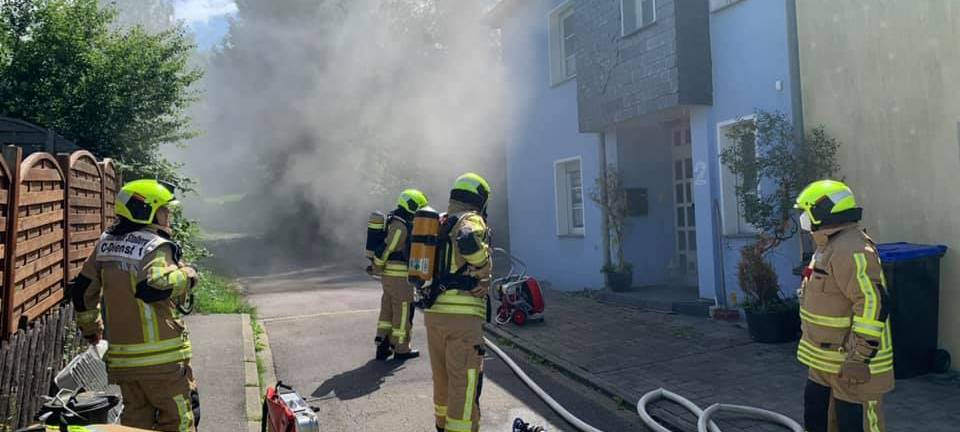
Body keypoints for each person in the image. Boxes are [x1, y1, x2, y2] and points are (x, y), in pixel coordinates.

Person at [69, 179, 200, 432]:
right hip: (162, 363)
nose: (168, 215)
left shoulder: (106, 243)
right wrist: (189, 276)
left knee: (136, 425)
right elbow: (154, 286)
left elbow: (83, 290)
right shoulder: (155, 245)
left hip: (124, 364)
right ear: (147, 210)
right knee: (180, 421)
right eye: (164, 209)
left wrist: (91, 329)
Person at [795, 180, 893, 432]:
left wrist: (859, 357)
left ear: (822, 211)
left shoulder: (852, 249)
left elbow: (872, 303)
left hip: (853, 368)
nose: (803, 220)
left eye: (806, 212)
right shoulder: (827, 247)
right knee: (817, 419)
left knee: (856, 425)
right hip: (825, 363)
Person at [425, 173, 492, 432]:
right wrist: (483, 267)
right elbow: (468, 240)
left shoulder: (441, 222)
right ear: (479, 198)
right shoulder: (470, 220)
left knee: (441, 379)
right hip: (462, 320)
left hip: (434, 315)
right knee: (463, 384)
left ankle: (442, 426)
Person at [370, 188, 429, 361]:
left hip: (390, 276)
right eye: (418, 208)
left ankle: (383, 346)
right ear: (411, 206)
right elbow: (388, 248)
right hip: (399, 276)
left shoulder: (395, 221)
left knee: (387, 311)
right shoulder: (400, 226)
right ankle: (401, 349)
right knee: (403, 311)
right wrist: (376, 266)